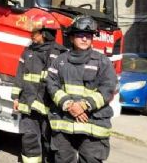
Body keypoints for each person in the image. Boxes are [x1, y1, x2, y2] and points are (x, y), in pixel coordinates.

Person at [46, 15, 117, 163]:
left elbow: (109, 87)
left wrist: (84, 105)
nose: (85, 39)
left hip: (92, 123)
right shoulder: (59, 61)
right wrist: (69, 104)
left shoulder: (102, 61)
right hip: (64, 121)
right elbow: (51, 84)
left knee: (90, 159)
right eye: (80, 35)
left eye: (88, 36)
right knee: (63, 159)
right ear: (71, 38)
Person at [12, 14, 68, 163]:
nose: (31, 36)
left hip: (50, 107)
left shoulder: (60, 54)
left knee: (51, 142)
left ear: (45, 33)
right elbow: (20, 74)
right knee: (29, 139)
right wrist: (16, 97)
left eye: (34, 33)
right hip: (28, 105)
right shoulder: (28, 51)